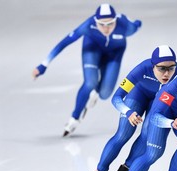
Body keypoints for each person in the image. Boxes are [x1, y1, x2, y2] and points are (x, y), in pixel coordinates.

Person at [83, 45, 177, 171]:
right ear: (152, 66)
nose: (167, 74)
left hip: (159, 101)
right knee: (123, 133)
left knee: (147, 134)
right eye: (161, 69)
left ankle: (126, 169)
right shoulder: (141, 69)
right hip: (137, 95)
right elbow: (116, 97)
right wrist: (128, 112)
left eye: (171, 68)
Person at [32, 4, 142, 136]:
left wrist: (137, 23)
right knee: (90, 82)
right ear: (96, 21)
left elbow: (136, 25)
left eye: (110, 24)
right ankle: (75, 117)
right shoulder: (88, 25)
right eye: (102, 24)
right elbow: (64, 42)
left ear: (115, 21)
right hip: (92, 50)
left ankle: (96, 91)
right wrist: (44, 64)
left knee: (105, 94)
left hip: (114, 54)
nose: (106, 28)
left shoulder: (125, 26)